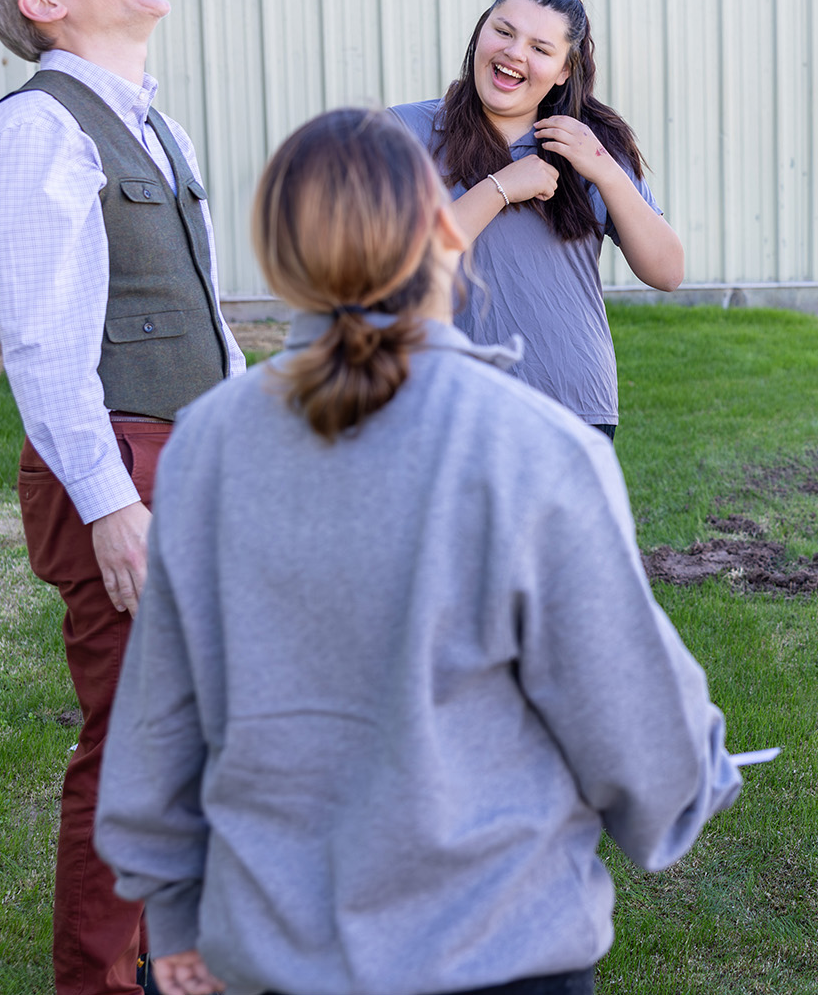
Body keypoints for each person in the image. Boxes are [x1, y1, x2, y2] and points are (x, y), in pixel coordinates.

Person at [93, 109, 741, 995]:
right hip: (500, 954)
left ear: (279, 261)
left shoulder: (206, 446)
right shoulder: (534, 449)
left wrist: (172, 909)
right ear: (445, 227)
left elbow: (162, 716)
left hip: (271, 956)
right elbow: (643, 736)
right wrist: (692, 780)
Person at [0, 0, 246, 994]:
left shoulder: (147, 119)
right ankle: (97, 978)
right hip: (121, 467)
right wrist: (108, 498)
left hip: (186, 455)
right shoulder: (38, 126)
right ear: (43, 2)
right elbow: (42, 342)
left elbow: (197, 315)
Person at [391, 0, 681, 439]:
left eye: (540, 48)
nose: (514, 53)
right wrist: (500, 187)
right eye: (503, 32)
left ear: (565, 69)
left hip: (573, 407)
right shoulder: (407, 132)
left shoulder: (589, 145)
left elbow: (667, 272)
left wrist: (605, 169)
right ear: (482, 30)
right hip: (447, 409)